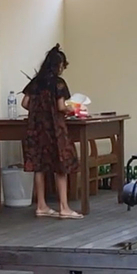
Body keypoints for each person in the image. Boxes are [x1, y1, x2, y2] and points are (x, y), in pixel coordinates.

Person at [21, 45, 81, 219]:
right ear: (59, 65)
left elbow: (24, 103)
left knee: (39, 166)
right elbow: (61, 106)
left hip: (36, 129)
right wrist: (72, 110)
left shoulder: (35, 82)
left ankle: (41, 206)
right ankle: (64, 208)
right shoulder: (58, 83)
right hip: (55, 129)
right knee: (60, 165)